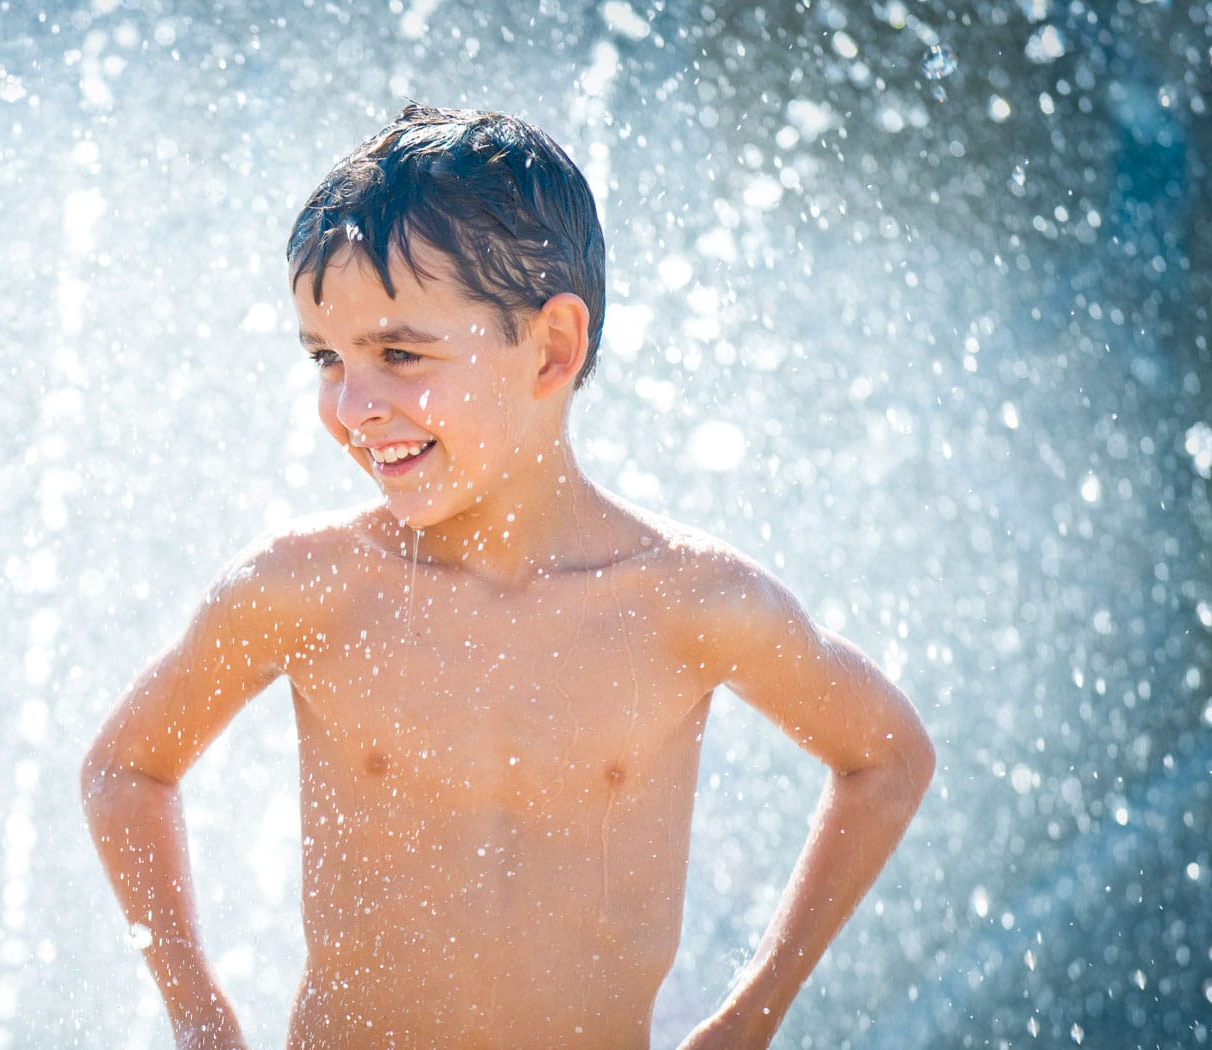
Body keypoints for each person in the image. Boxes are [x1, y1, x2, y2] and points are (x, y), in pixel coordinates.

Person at [79, 102, 936, 1050]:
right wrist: (200, 1018)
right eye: (327, 358)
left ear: (553, 351)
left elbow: (886, 756)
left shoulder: (688, 604)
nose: (353, 405)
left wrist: (752, 1016)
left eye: (400, 354)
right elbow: (125, 769)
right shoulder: (309, 591)